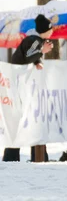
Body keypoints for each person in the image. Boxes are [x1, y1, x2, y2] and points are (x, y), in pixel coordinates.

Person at [3, 15, 54, 162]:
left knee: (30, 122)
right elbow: (30, 55)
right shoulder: (34, 40)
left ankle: (36, 157)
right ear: (45, 30)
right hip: (22, 89)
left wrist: (38, 60)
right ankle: (24, 157)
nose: (51, 33)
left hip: (25, 88)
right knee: (24, 122)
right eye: (50, 30)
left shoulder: (34, 40)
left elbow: (29, 58)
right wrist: (42, 52)